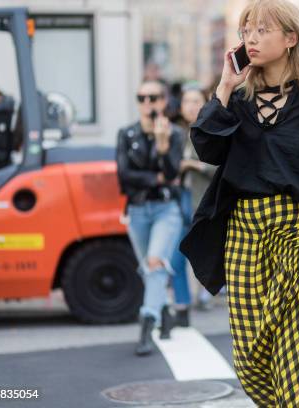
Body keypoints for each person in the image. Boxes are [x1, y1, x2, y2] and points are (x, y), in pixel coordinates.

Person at [178, 0, 299, 405]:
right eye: (246, 31)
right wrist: (224, 86)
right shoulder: (236, 98)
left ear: (291, 38)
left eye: (262, 30)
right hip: (245, 234)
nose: (251, 39)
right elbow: (206, 147)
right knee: (249, 360)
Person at [116, 80, 184, 356]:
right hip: (136, 210)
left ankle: (147, 323)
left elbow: (170, 175)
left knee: (155, 262)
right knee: (150, 269)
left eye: (153, 97)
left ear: (164, 101)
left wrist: (162, 144)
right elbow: (123, 176)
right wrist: (153, 177)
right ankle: (166, 312)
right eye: (141, 97)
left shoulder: (174, 134)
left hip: (166, 209)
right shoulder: (126, 133)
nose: (147, 103)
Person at [170, 84, 217, 320]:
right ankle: (182, 303)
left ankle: (206, 293)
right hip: (179, 202)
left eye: (196, 100)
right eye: (187, 101)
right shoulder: (174, 135)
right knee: (176, 255)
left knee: (205, 252)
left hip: (205, 203)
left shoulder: (212, 132)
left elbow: (223, 168)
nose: (191, 106)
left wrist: (193, 165)